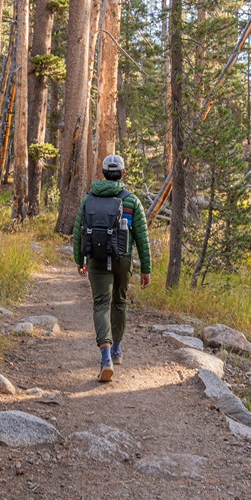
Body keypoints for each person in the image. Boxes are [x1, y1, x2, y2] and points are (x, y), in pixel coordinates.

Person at [72, 154, 152, 382]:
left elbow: (78, 232)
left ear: (103, 173)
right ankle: (117, 350)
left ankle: (105, 357)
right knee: (119, 301)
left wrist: (80, 260)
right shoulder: (132, 200)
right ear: (123, 174)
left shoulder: (89, 199)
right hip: (122, 258)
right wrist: (146, 268)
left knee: (100, 304)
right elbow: (142, 237)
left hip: (96, 259)